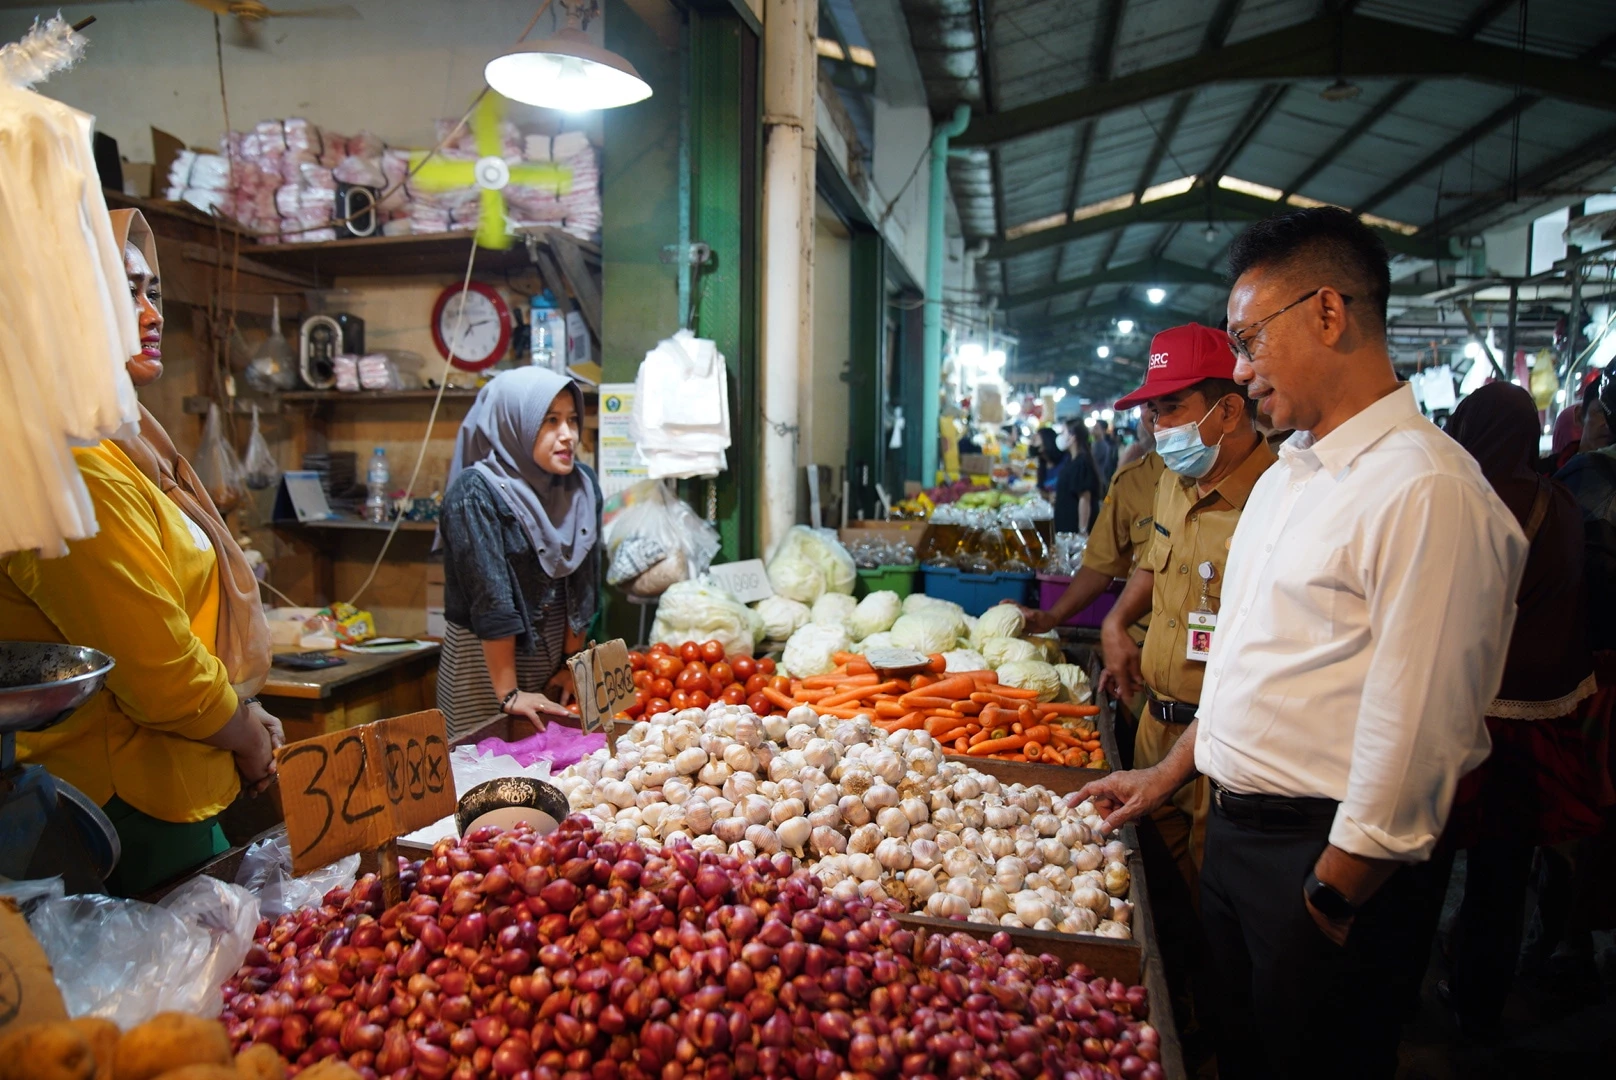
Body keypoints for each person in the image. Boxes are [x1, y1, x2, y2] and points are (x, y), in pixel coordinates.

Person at [1076, 207, 1527, 1078]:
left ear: (1327, 312)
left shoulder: (1425, 491)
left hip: (1321, 859)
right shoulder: (1292, 475)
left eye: (1249, 340)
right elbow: (1244, 663)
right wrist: (1167, 775)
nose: (1242, 370)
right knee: (1241, 1052)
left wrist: (1334, 890)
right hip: (1237, 838)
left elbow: (1421, 730)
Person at [1, 209, 282, 896]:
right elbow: (156, 668)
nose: (152, 315)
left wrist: (242, 710)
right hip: (125, 804)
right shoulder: (70, 459)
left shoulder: (124, 444)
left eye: (152, 290)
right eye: (123, 293)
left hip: (176, 777)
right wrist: (246, 736)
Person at [1436, 382, 1602, 1035]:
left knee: (1420, 865)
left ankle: (1398, 995)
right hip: (1538, 724)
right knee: (1502, 878)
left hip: (1461, 718)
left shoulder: (1465, 503)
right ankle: (1479, 1005)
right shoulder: (1561, 501)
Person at [1097, 323, 1277, 885]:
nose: (1158, 427)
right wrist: (1117, 621)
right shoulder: (1174, 484)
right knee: (1153, 882)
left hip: (1222, 745)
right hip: (1154, 722)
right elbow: (1154, 563)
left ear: (1229, 410)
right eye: (1152, 413)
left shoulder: (1275, 498)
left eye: (1172, 408)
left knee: (1212, 891)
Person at [435, 367, 602, 741]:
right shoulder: (474, 493)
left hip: (550, 667)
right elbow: (491, 600)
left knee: (551, 769)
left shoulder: (582, 485)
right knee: (485, 768)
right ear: (515, 426)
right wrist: (508, 693)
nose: (568, 434)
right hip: (485, 674)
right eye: (551, 421)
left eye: (573, 420)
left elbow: (584, 583)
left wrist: (571, 666)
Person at [1019, 414, 1164, 635]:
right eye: (1150, 407)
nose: (1157, 417)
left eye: (1172, 405)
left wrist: (1082, 528)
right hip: (1142, 639)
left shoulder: (1085, 463)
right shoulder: (1132, 480)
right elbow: (1101, 563)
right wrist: (1052, 616)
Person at [1052, 419, 1103, 535]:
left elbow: (1084, 498)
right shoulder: (1071, 461)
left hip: (1074, 531)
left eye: (1063, 432)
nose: (1060, 436)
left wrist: (1082, 530)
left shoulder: (1081, 463)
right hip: (1066, 529)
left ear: (1073, 437)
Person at [1091, 417, 1118, 487]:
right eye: (1094, 427)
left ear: (1103, 430)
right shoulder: (1094, 443)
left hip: (1099, 481)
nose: (1093, 430)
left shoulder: (1102, 446)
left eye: (1096, 428)